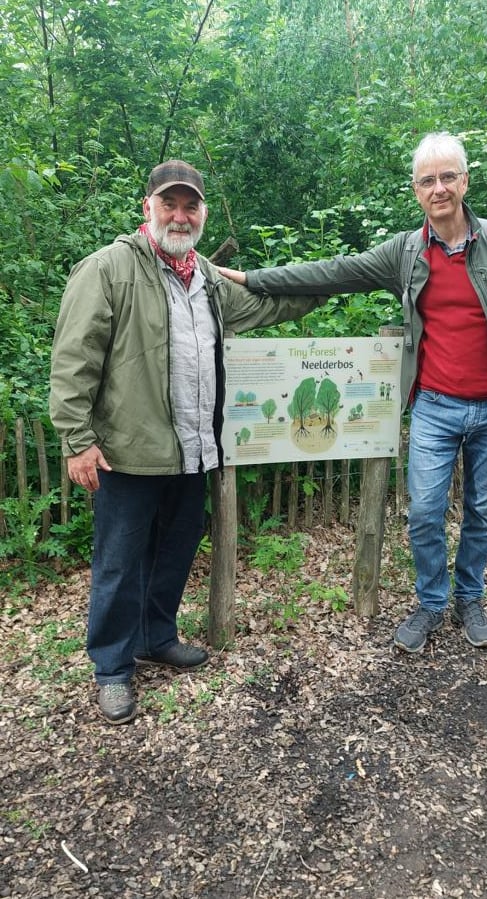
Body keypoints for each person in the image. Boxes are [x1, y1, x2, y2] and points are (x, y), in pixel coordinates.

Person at [218, 132, 487, 654]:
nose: (439, 188)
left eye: (447, 177)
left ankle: (470, 598)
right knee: (424, 511)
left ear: (465, 181)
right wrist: (254, 278)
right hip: (434, 406)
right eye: (428, 180)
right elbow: (335, 272)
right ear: (416, 190)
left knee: (482, 512)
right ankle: (431, 601)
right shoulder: (406, 252)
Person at [50, 160, 329, 724]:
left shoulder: (206, 278)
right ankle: (112, 668)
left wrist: (329, 283)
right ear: (148, 208)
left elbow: (267, 304)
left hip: (192, 448)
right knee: (119, 563)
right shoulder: (108, 269)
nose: (180, 216)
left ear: (201, 213)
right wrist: (77, 439)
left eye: (190, 206)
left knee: (175, 552)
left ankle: (156, 638)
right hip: (128, 452)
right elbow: (74, 358)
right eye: (169, 204)